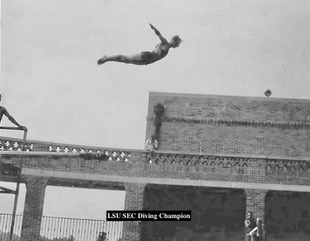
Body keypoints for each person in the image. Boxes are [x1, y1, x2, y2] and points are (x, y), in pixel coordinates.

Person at [97, 23, 182, 65]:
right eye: (177, 44)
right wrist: (153, 28)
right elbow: (159, 34)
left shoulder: (167, 47)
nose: (177, 46)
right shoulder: (165, 43)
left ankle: (107, 58)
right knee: (125, 58)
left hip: (148, 61)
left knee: (126, 60)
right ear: (174, 41)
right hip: (148, 56)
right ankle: (106, 58)